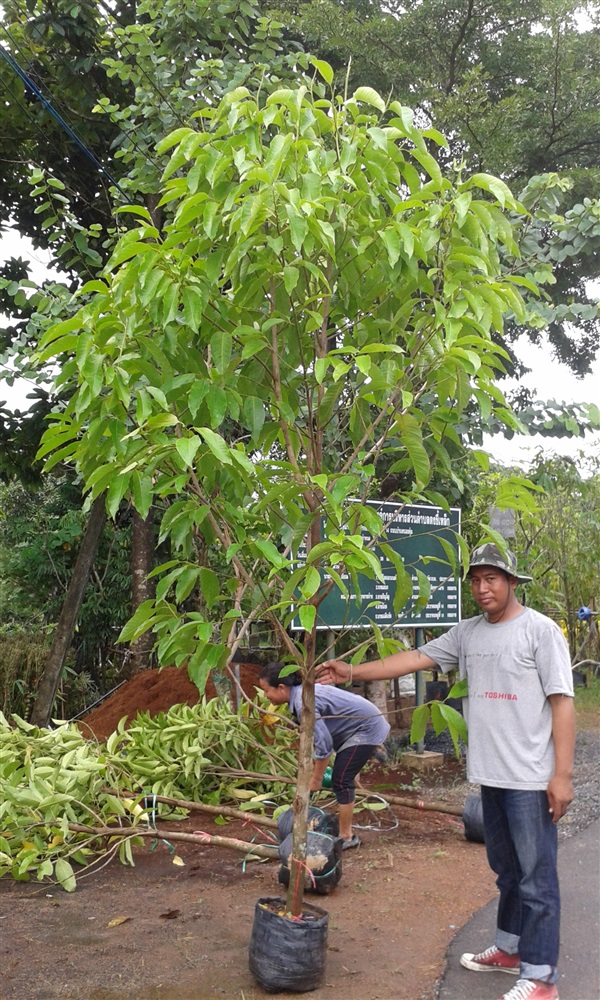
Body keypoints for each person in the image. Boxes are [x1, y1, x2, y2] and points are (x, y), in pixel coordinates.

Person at [318, 543, 575, 1000]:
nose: (482, 587)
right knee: (507, 871)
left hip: (532, 778)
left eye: (492, 578)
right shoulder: (468, 633)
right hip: (491, 776)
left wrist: (563, 775)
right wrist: (351, 669)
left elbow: (562, 702)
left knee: (537, 878)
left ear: (512, 582)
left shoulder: (541, 631)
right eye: (476, 579)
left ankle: (541, 979)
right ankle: (512, 949)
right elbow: (415, 659)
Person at [258, 660, 391, 849]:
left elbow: (325, 746)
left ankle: (347, 837)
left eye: (266, 690)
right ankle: (368, 750)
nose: (265, 696)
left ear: (281, 688)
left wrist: (316, 778)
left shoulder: (304, 701)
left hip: (365, 728)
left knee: (341, 780)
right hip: (352, 727)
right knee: (343, 771)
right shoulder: (303, 694)